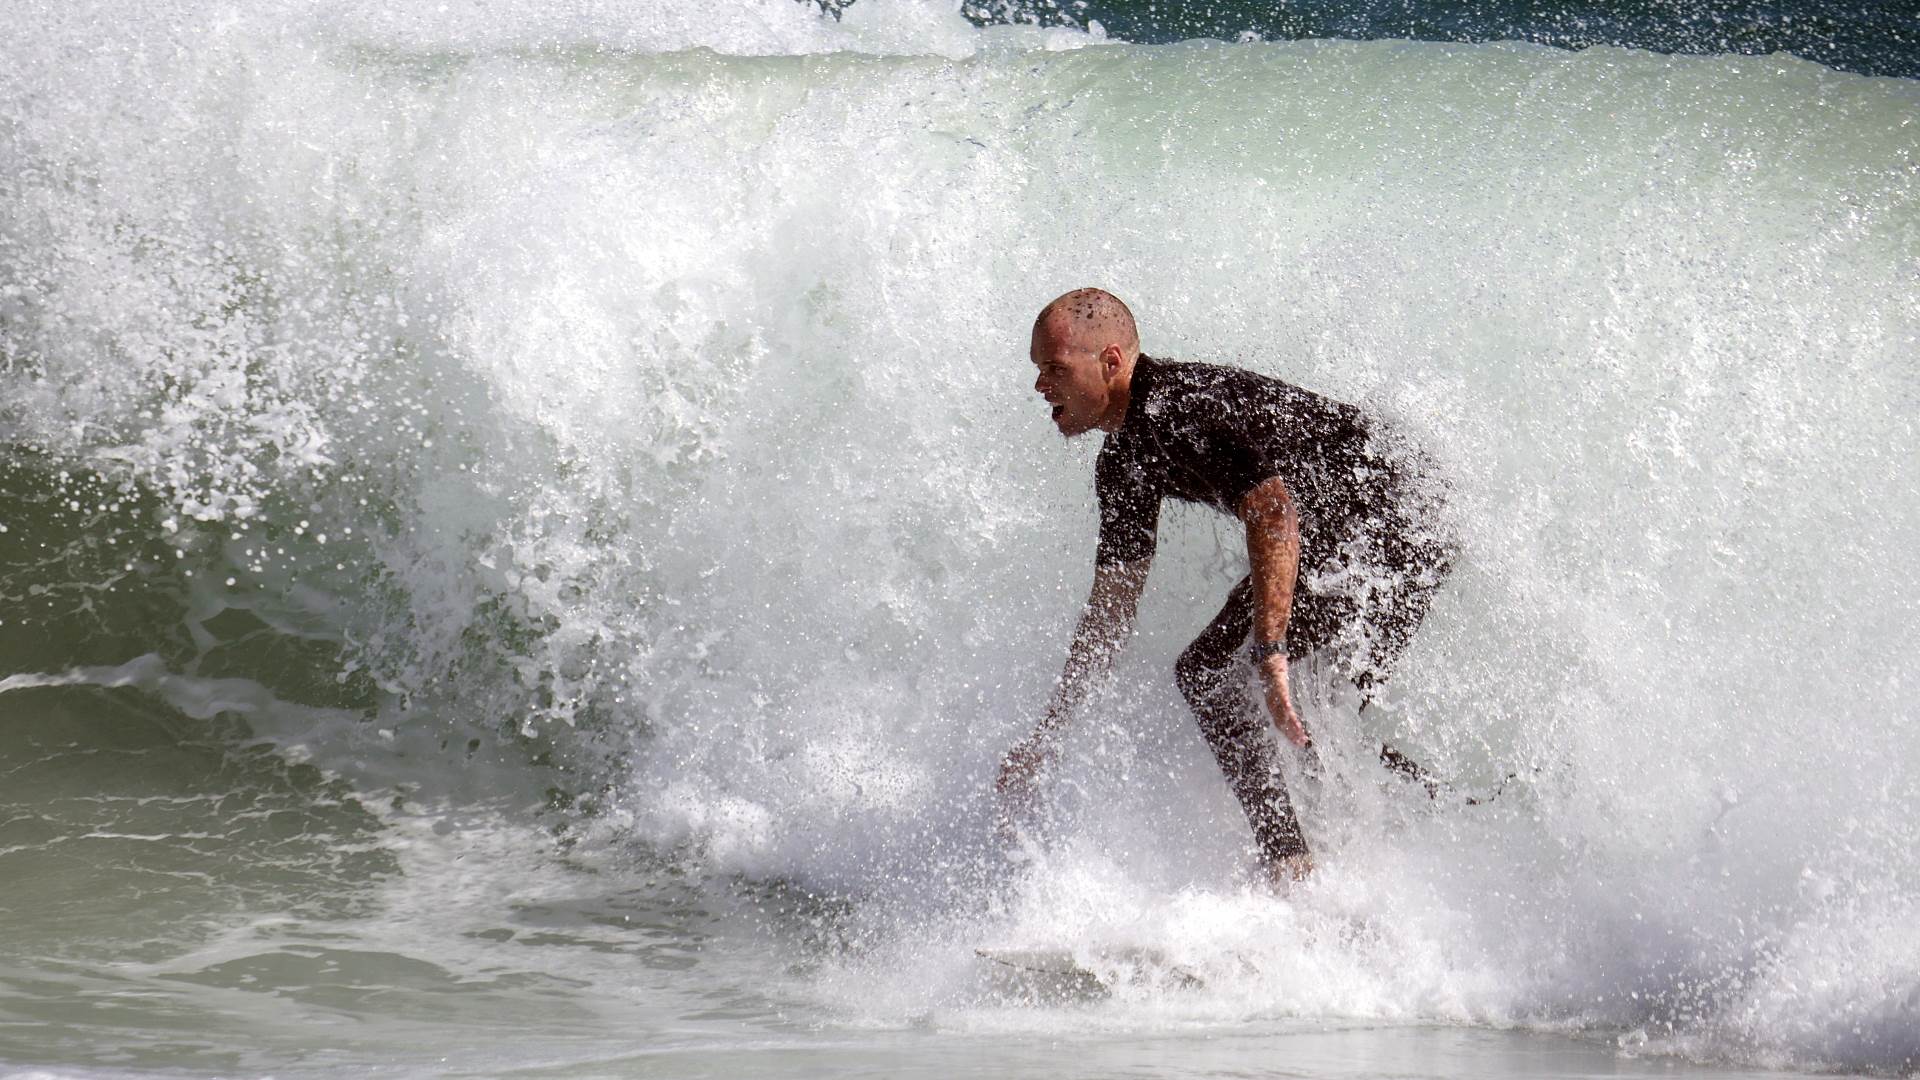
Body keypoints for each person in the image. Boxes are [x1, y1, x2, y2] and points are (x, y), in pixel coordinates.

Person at [995, 288, 1453, 886]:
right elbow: (1110, 610)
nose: (1041, 387)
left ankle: (1294, 867)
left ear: (1110, 362)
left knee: (1217, 676)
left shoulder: (1177, 408)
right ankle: (1415, 837)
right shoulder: (1125, 462)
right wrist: (1048, 735)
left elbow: (1273, 511)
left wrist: (1269, 649)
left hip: (1400, 519)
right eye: (1038, 371)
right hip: (1377, 528)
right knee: (1323, 723)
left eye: (1054, 368)